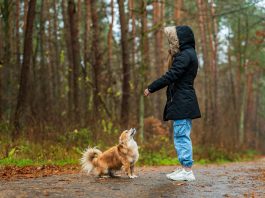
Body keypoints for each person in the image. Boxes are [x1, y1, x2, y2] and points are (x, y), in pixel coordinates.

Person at [144, 26, 201, 181]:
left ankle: (187, 170)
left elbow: (171, 75)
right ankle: (184, 167)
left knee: (182, 135)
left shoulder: (185, 55)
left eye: (172, 39)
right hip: (182, 100)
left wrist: (151, 87)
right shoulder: (189, 54)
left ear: (180, 39)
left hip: (183, 101)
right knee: (180, 134)